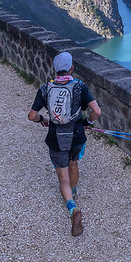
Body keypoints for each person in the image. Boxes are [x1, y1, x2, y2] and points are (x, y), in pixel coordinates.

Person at [28, 52, 101, 237]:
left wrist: (43, 119)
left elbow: (31, 116)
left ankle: (72, 208)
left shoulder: (45, 89)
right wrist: (88, 122)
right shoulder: (79, 87)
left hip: (56, 136)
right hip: (76, 135)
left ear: (54, 69)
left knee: (62, 176)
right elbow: (96, 111)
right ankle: (73, 191)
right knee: (73, 164)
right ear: (71, 68)